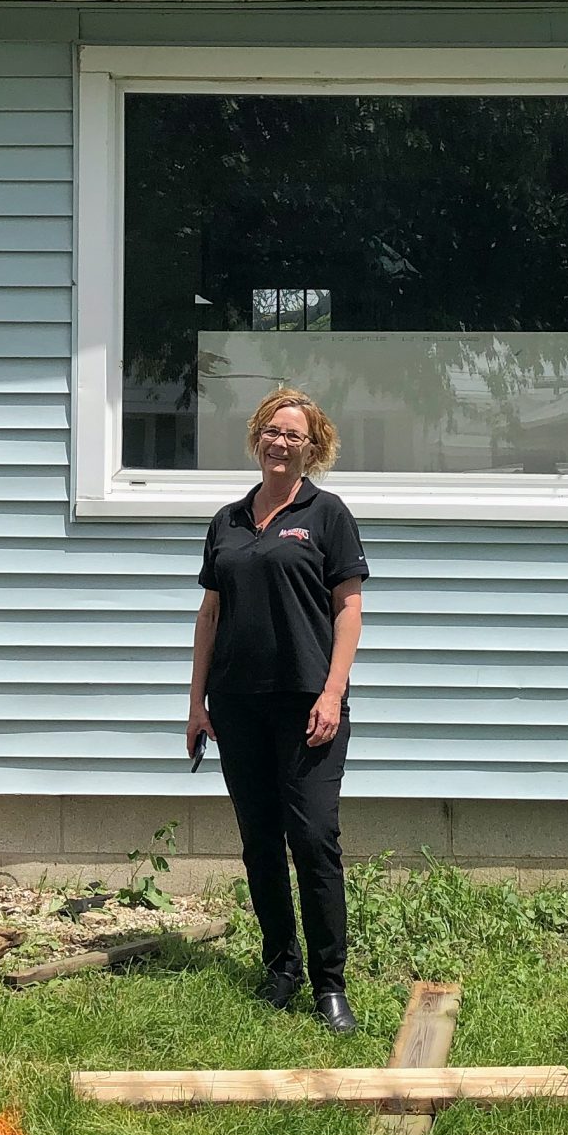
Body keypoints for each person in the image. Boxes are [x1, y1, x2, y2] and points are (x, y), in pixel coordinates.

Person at [187, 388, 367, 1033]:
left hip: (307, 705)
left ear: (313, 446)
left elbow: (349, 608)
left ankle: (329, 982)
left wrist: (331, 692)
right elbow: (211, 614)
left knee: (314, 838)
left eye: (293, 434)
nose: (279, 441)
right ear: (256, 439)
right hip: (237, 706)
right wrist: (196, 703)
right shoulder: (229, 520)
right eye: (270, 430)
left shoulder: (327, 514)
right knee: (260, 844)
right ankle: (280, 967)